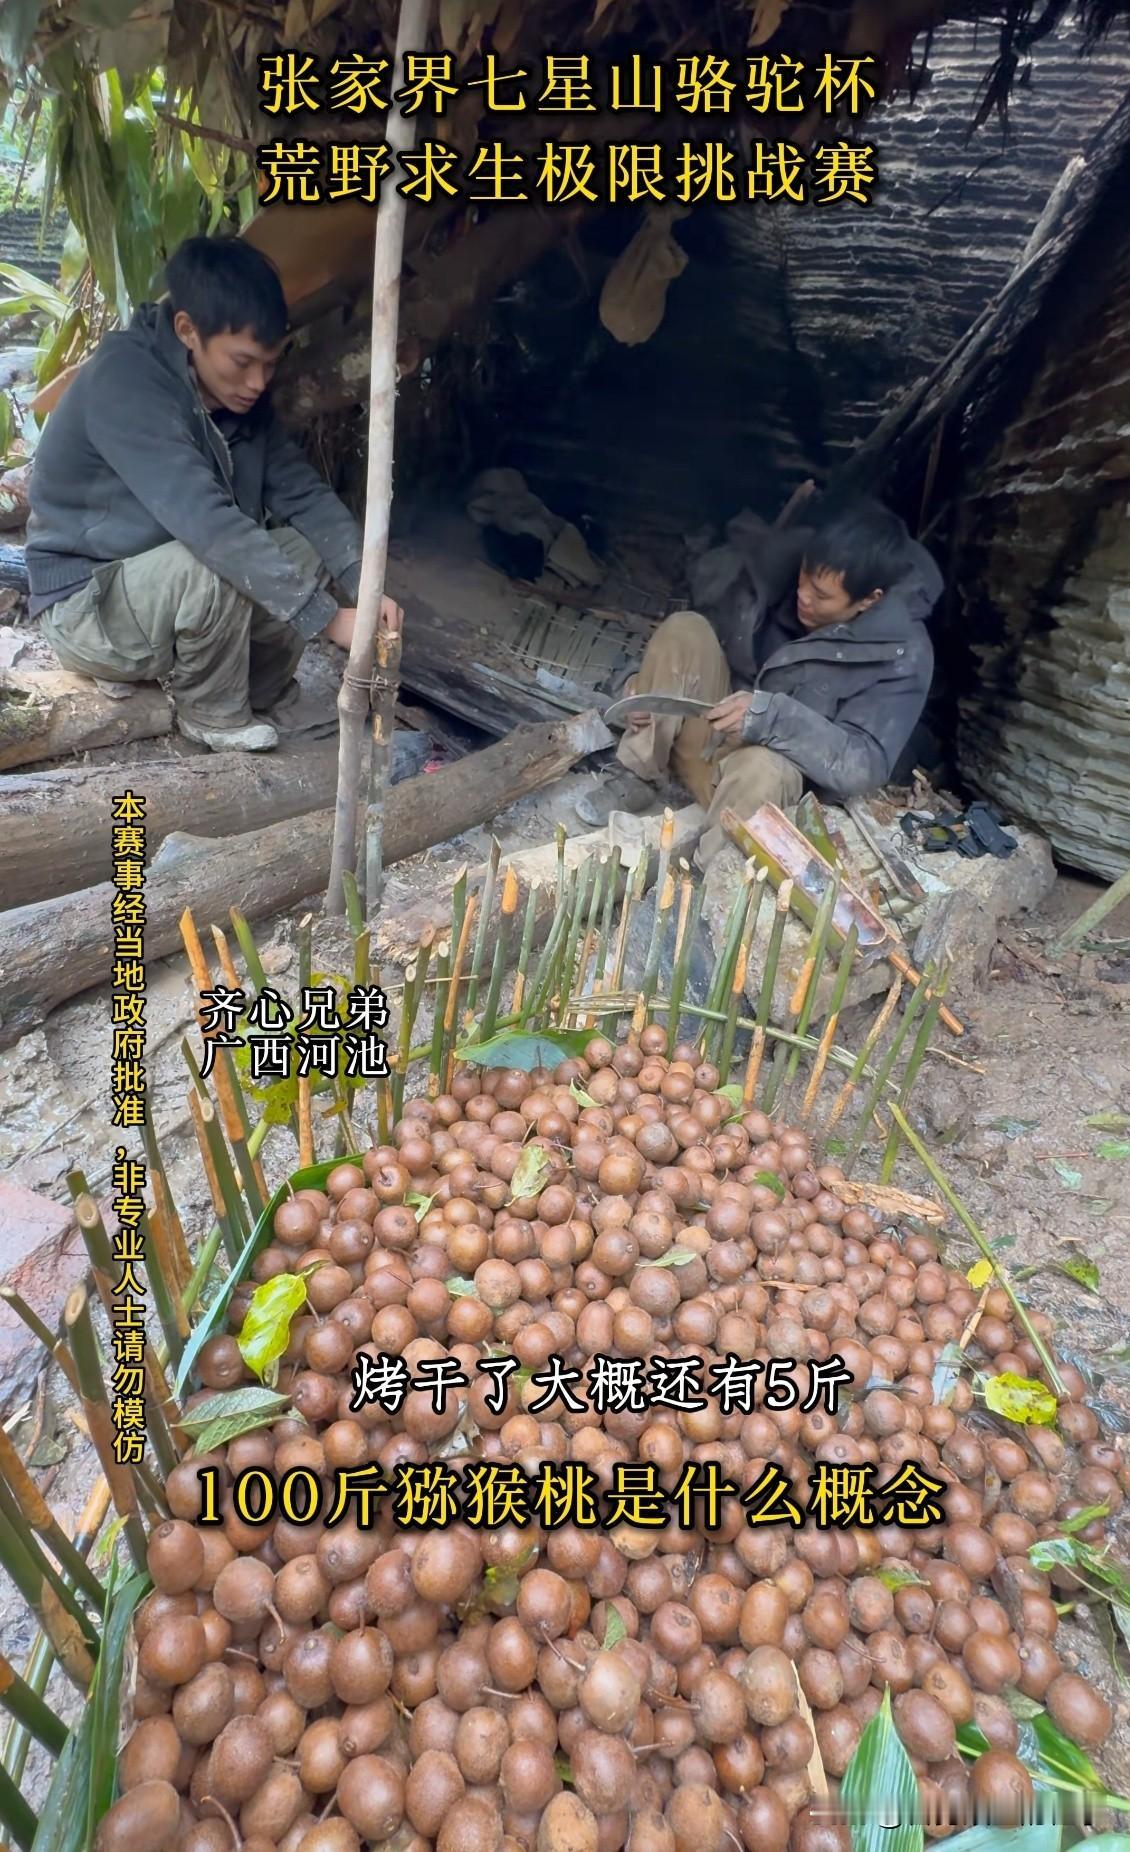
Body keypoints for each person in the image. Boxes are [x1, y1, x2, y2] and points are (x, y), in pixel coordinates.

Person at [25, 235, 398, 752]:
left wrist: (366, 582)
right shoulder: (126, 382)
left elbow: (303, 494)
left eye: (270, 364)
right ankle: (211, 714)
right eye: (243, 362)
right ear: (187, 331)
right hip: (88, 605)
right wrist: (328, 618)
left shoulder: (236, 397)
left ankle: (259, 693)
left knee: (301, 550)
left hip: (163, 585)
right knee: (217, 561)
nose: (257, 382)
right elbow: (208, 525)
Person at [579, 497, 942, 867]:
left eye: (822, 595)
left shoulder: (901, 654)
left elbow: (862, 765)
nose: (803, 595)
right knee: (686, 628)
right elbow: (696, 651)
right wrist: (641, 688)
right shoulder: (773, 578)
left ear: (869, 600)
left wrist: (769, 719)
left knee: (762, 767)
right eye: (805, 576)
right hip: (707, 745)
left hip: (762, 789)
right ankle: (639, 777)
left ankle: (707, 877)